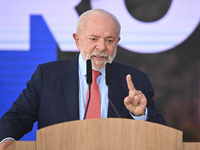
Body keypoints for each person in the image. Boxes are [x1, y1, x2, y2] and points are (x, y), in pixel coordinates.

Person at [0, 9, 166, 149]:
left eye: (109, 40)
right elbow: (17, 117)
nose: (101, 47)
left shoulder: (136, 80)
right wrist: (7, 141)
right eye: (93, 39)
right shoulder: (47, 75)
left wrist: (140, 115)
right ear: (77, 40)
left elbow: (162, 135)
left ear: (118, 42)